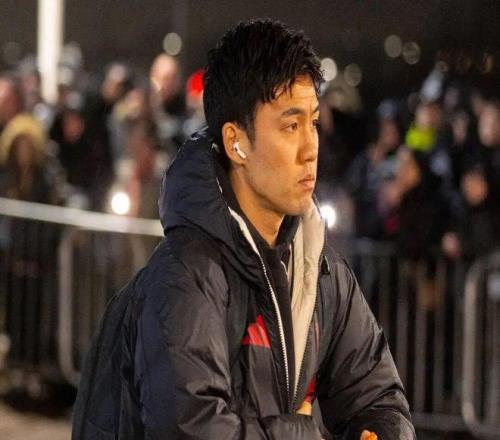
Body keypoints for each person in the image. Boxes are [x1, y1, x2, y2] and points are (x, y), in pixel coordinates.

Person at [72, 20, 415, 439]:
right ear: (236, 142)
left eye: (313, 122)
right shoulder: (185, 276)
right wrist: (306, 434)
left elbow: (379, 398)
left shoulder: (320, 269)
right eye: (290, 126)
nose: (310, 148)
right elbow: (193, 430)